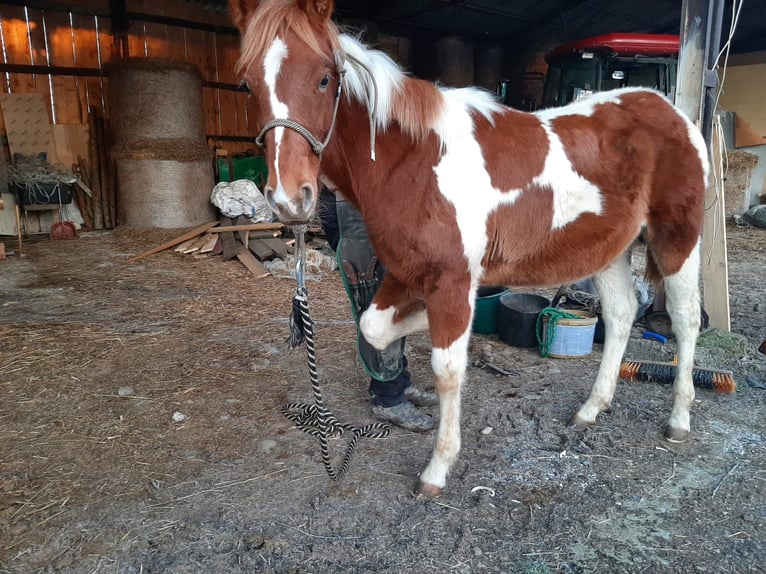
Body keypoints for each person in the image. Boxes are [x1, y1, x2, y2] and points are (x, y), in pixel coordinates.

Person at [318, 188, 437, 431]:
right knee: (378, 300)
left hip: (385, 204)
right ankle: (388, 398)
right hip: (353, 206)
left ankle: (399, 379)